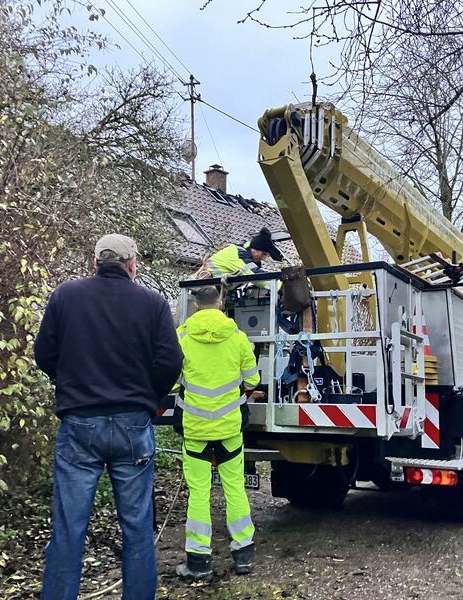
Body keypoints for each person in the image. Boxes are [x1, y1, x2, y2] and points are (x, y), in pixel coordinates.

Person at [34, 233, 183, 600]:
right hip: (133, 424)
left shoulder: (65, 296)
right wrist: (146, 397)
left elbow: (44, 354)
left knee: (68, 531)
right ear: (132, 264)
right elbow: (170, 362)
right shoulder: (153, 302)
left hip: (80, 424)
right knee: (137, 530)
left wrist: (71, 383)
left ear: (96, 262)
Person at [173, 285, 260, 580]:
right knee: (234, 487)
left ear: (196, 306)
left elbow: (172, 382)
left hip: (196, 429)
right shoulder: (237, 337)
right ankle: (243, 554)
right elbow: (252, 380)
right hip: (229, 428)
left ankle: (198, 561)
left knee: (199, 492)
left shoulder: (182, 337)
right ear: (221, 304)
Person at [195, 226, 283, 288]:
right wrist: (283, 286)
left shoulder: (241, 251)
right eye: (263, 254)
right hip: (197, 291)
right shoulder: (239, 255)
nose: (264, 258)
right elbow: (258, 277)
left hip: (205, 291)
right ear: (254, 249)